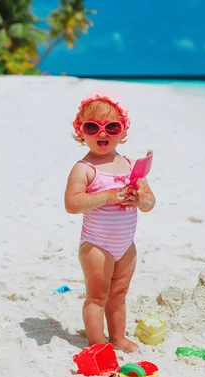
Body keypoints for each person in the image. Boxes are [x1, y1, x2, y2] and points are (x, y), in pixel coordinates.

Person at [64, 89, 156, 353]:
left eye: (111, 127)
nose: (102, 133)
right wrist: (107, 196)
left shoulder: (129, 165)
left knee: (119, 294)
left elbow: (150, 202)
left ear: (122, 131)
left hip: (126, 244)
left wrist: (140, 200)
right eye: (92, 127)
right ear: (81, 132)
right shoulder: (84, 168)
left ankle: (117, 338)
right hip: (96, 245)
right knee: (97, 296)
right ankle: (97, 345)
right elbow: (72, 204)